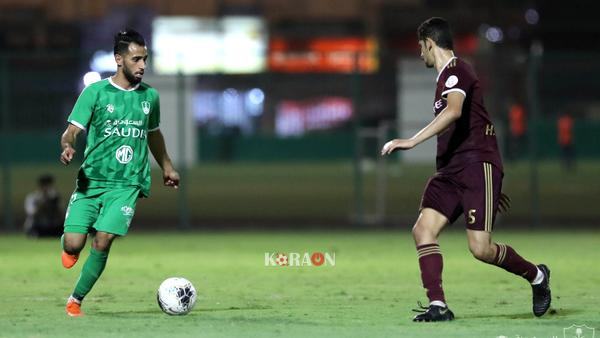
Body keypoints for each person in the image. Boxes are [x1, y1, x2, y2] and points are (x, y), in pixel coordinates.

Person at [381, 17, 551, 322]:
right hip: (450, 173)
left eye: (421, 48)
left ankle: (537, 276)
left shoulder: (458, 70)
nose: (421, 54)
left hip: (475, 166)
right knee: (423, 230)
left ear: (430, 44)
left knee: (480, 249)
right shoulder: (445, 78)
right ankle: (438, 305)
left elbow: (455, 111)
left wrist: (411, 141)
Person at [59, 29, 180, 317]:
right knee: (73, 243)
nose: (142, 65)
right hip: (92, 181)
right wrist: (67, 145)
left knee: (103, 239)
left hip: (128, 183)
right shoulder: (95, 92)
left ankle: (75, 299)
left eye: (145, 59)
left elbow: (153, 134)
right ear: (118, 59)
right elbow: (72, 131)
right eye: (136, 59)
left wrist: (167, 166)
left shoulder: (150, 96)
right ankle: (71, 246)